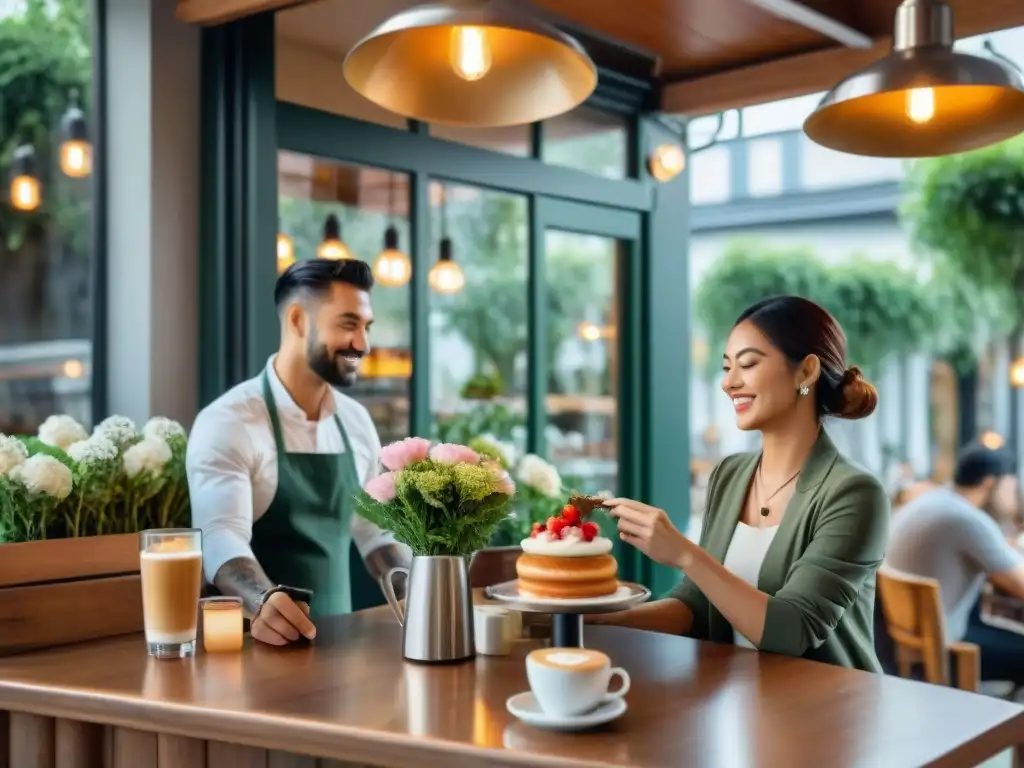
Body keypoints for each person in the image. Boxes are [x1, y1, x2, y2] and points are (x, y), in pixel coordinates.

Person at [593, 295, 890, 672]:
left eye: (748, 364)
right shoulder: (731, 474)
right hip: (737, 706)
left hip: (827, 715)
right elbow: (698, 605)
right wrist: (597, 623)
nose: (729, 383)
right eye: (727, 367)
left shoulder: (855, 494)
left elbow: (793, 631)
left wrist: (683, 552)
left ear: (806, 372)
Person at [187, 259, 411, 647]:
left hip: (342, 651)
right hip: (255, 653)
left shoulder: (355, 421)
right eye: (347, 324)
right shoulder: (229, 421)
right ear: (297, 320)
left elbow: (375, 531)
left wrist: (424, 591)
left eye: (365, 327)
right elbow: (220, 536)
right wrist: (263, 600)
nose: (363, 344)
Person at [883, 442, 1024, 683]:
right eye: (1012, 486)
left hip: (906, 641)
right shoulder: (968, 520)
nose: (1016, 495)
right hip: (946, 647)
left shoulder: (933, 502)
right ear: (991, 483)